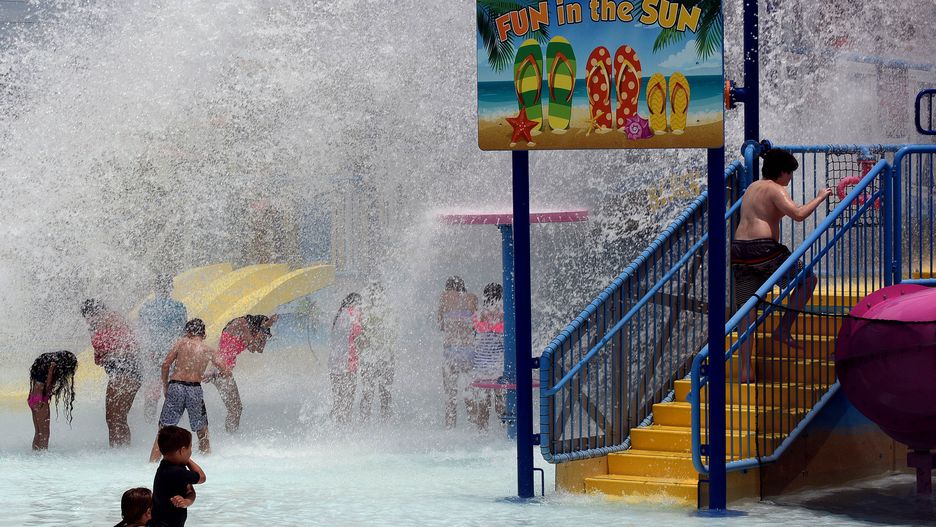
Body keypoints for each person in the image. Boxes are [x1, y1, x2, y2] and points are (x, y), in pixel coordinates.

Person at [732, 148, 832, 382]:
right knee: (808, 280)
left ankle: (746, 371)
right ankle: (783, 329)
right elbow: (798, 214)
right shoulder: (777, 189)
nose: (790, 179)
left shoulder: (752, 188)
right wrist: (820, 196)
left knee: (747, 310)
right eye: (790, 174)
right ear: (782, 172)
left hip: (739, 251)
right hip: (764, 251)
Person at [150, 319, 230, 462]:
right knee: (202, 430)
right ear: (203, 335)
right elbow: (226, 372)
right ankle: (207, 462)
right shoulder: (208, 350)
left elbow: (165, 365)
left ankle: (151, 465)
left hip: (176, 386)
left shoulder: (181, 343)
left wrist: (165, 385)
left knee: (164, 431)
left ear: (187, 332)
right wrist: (211, 375)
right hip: (195, 389)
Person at [82, 299, 143, 447]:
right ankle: (123, 453)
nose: (88, 321)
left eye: (88, 317)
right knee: (118, 417)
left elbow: (127, 346)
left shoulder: (109, 319)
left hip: (124, 371)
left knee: (113, 417)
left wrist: (106, 353)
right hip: (129, 371)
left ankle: (116, 452)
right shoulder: (107, 322)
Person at [203, 313, 277, 433]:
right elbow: (253, 345)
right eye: (261, 327)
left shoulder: (251, 330)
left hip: (224, 370)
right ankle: (230, 438)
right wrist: (264, 327)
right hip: (220, 369)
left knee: (236, 409)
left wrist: (265, 329)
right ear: (257, 325)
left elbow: (258, 349)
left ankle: (230, 438)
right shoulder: (241, 323)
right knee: (235, 409)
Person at [138, 276, 188, 424]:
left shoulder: (146, 307)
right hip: (172, 354)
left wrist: (147, 352)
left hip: (152, 354)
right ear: (170, 288)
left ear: (155, 288)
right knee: (174, 390)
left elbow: (142, 332)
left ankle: (148, 423)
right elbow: (183, 332)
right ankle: (174, 424)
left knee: (152, 393)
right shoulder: (179, 307)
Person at [437, 276, 477, 429]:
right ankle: (473, 426)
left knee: (450, 394)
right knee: (470, 391)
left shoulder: (444, 298)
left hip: (450, 351)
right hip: (468, 351)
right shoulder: (471, 298)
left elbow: (441, 324)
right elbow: (476, 325)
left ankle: (450, 428)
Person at [467, 283, 507, 431]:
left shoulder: (478, 314)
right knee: (500, 400)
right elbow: (505, 340)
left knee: (483, 402)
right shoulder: (504, 314)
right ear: (501, 297)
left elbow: (474, 336)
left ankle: (482, 432)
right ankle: (505, 429)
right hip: (498, 366)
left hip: (481, 366)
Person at [151, 426, 207, 527]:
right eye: (190, 448)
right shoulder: (177, 472)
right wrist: (188, 460)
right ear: (182, 450)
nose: (191, 452)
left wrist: (186, 501)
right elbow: (202, 477)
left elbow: (189, 491)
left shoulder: (164, 466)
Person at [358, 282, 396, 421]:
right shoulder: (389, 312)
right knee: (384, 393)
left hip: (371, 356)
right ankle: (384, 421)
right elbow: (393, 335)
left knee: (368, 393)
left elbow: (361, 336)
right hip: (384, 356)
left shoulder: (366, 312)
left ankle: (364, 421)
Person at [27, 350, 78, 450]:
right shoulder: (52, 366)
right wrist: (51, 372)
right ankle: (42, 458)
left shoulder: (41, 366)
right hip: (41, 400)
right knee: (45, 434)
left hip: (34, 398)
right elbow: (48, 387)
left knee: (38, 432)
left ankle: (35, 457)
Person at [329, 293, 363, 425]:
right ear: (355, 304)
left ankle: (336, 427)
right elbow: (360, 335)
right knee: (348, 399)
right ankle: (345, 429)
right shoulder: (353, 314)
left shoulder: (339, 315)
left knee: (338, 399)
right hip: (348, 363)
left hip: (334, 364)